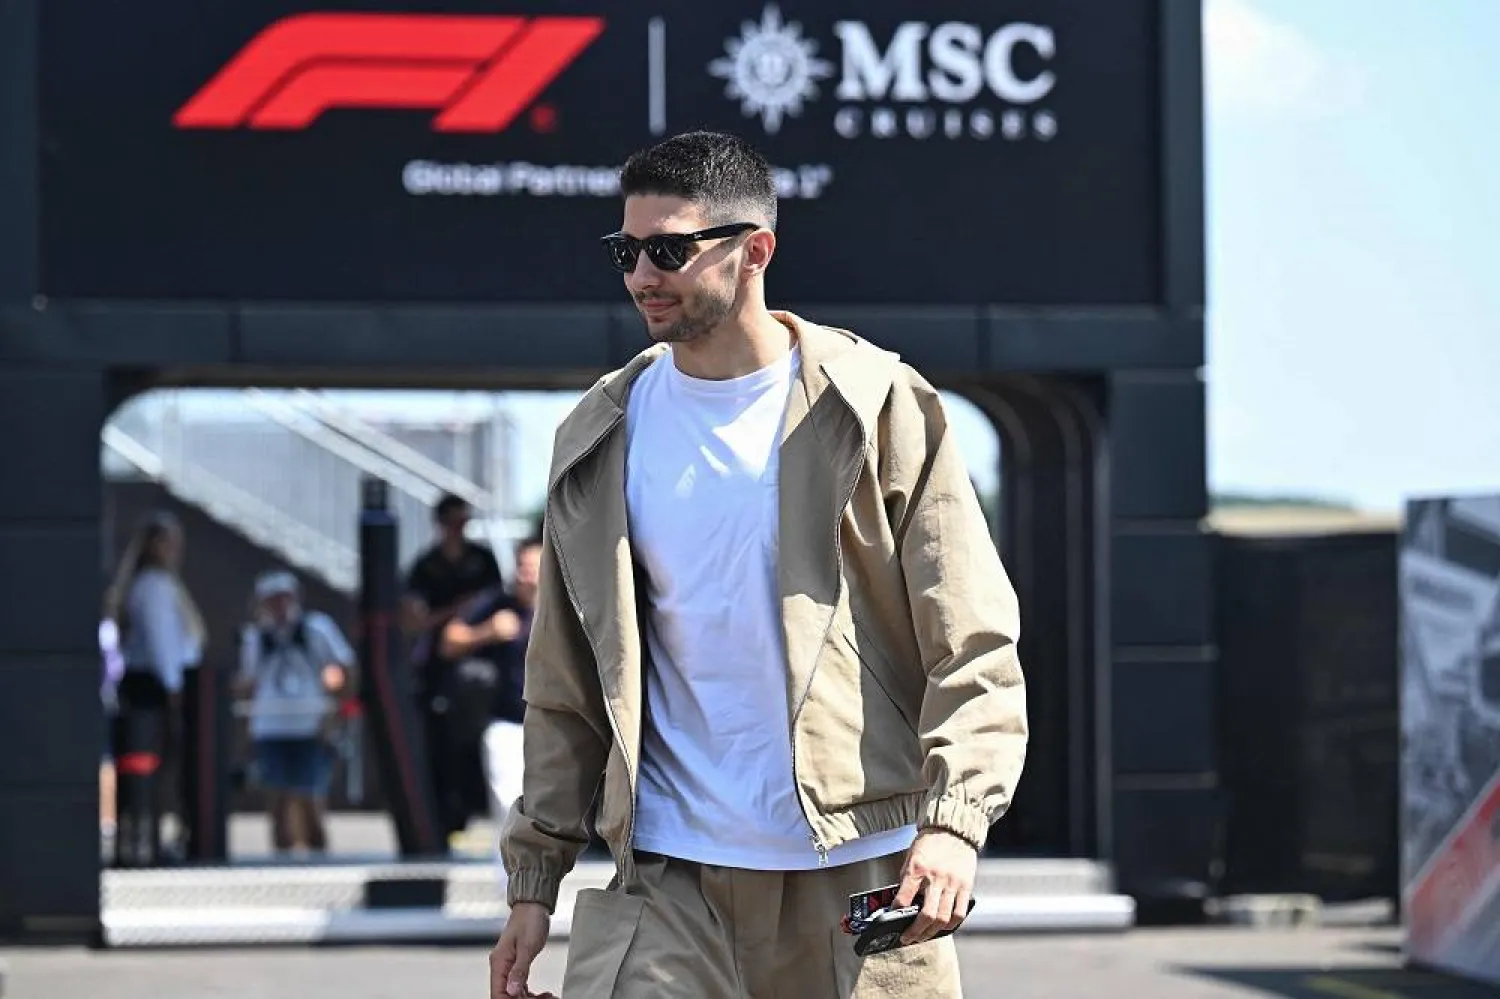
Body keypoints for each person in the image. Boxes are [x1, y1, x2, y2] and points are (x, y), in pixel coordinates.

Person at [490, 131, 1028, 999]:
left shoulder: (876, 404)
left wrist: (955, 822)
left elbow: (971, 637)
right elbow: (565, 680)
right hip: (668, 874)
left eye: (669, 250)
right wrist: (534, 878)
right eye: (627, 251)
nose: (640, 276)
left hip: (857, 869)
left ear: (754, 251)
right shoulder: (599, 433)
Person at [103, 511, 207, 864]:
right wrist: (175, 687)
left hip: (148, 686)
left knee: (152, 769)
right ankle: (145, 841)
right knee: (152, 769)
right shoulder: (154, 586)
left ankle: (146, 838)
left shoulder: (153, 584)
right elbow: (164, 642)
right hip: (154, 688)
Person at [401, 492, 504, 841]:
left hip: (483, 670)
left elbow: (495, 606)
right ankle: (446, 822)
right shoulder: (425, 566)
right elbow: (415, 620)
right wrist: (455, 612)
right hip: (440, 673)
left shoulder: (483, 560)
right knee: (440, 747)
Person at [236, 570, 355, 857]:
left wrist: (335, 711)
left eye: (284, 599)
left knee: (310, 797)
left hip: (309, 724)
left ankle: (320, 859)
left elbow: (346, 669)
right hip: (271, 727)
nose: (280, 607)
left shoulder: (317, 629)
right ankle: (280, 863)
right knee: (277, 800)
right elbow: (247, 685)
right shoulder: (256, 638)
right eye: (272, 600)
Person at [437, 537, 541, 842]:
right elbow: (448, 641)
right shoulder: (497, 603)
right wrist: (488, 632)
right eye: (522, 566)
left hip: (552, 724)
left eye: (534, 567)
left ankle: (544, 882)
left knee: (547, 811)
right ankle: (511, 882)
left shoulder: (564, 608)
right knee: (508, 803)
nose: (526, 574)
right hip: (506, 721)